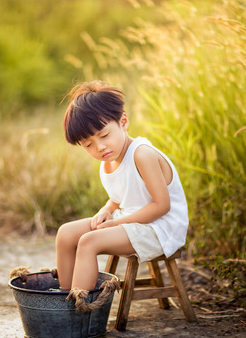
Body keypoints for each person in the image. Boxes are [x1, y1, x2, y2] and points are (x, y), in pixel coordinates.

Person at [56, 80, 188, 292]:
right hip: (133, 220)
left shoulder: (142, 154)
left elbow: (161, 205)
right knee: (66, 233)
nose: (100, 147)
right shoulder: (108, 161)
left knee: (89, 242)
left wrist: (118, 223)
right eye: (88, 145)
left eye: (105, 135)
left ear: (123, 122)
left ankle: (80, 306)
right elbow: (120, 197)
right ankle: (63, 298)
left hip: (160, 228)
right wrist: (107, 209)